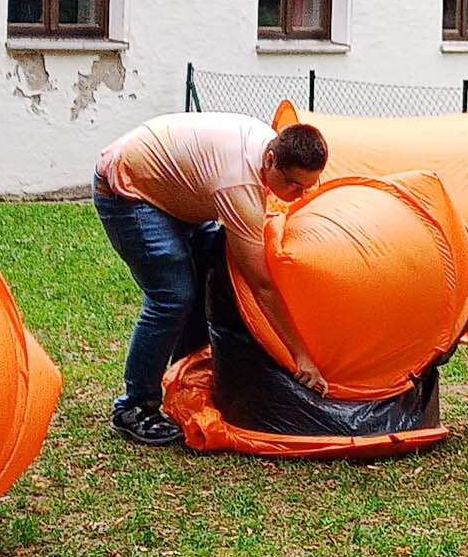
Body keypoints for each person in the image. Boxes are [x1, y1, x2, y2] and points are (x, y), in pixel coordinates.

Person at [94, 113, 330, 446]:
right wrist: (301, 356)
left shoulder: (267, 146)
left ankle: (189, 382)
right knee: (172, 297)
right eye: (294, 184)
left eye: (309, 186)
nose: (300, 194)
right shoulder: (240, 182)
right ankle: (134, 409)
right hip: (129, 191)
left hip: (177, 188)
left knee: (205, 274)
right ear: (272, 160)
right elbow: (261, 284)